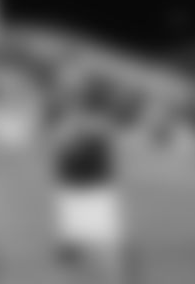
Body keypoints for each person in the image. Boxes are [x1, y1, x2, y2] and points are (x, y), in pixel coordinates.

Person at [49, 109, 133, 284]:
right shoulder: (82, 137)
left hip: (89, 190)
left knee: (103, 239)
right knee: (96, 237)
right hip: (83, 190)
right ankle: (75, 251)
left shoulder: (87, 138)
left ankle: (112, 266)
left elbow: (104, 163)